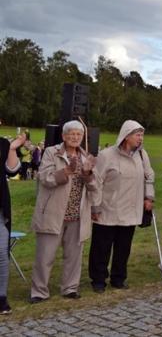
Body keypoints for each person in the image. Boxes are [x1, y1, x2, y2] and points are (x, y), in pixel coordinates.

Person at [30, 121, 100, 303]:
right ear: (63, 136)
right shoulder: (51, 152)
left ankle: (70, 288)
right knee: (45, 256)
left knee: (74, 256)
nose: (75, 137)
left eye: (78, 134)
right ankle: (39, 291)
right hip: (52, 213)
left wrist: (88, 174)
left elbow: (94, 187)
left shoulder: (86, 157)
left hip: (77, 214)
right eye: (71, 134)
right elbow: (45, 178)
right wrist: (66, 171)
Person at [88, 120, 155, 293]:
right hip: (108, 208)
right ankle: (98, 279)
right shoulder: (106, 155)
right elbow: (96, 182)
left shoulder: (142, 155)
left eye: (142, 135)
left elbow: (149, 176)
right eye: (137, 135)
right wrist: (95, 206)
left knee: (123, 247)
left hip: (130, 209)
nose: (141, 138)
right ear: (126, 136)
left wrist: (149, 197)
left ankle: (118, 278)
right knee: (101, 247)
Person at [0, 131, 24, 315]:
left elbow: (12, 169)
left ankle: (1, 298)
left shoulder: (2, 143)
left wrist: (13, 148)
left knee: (2, 254)